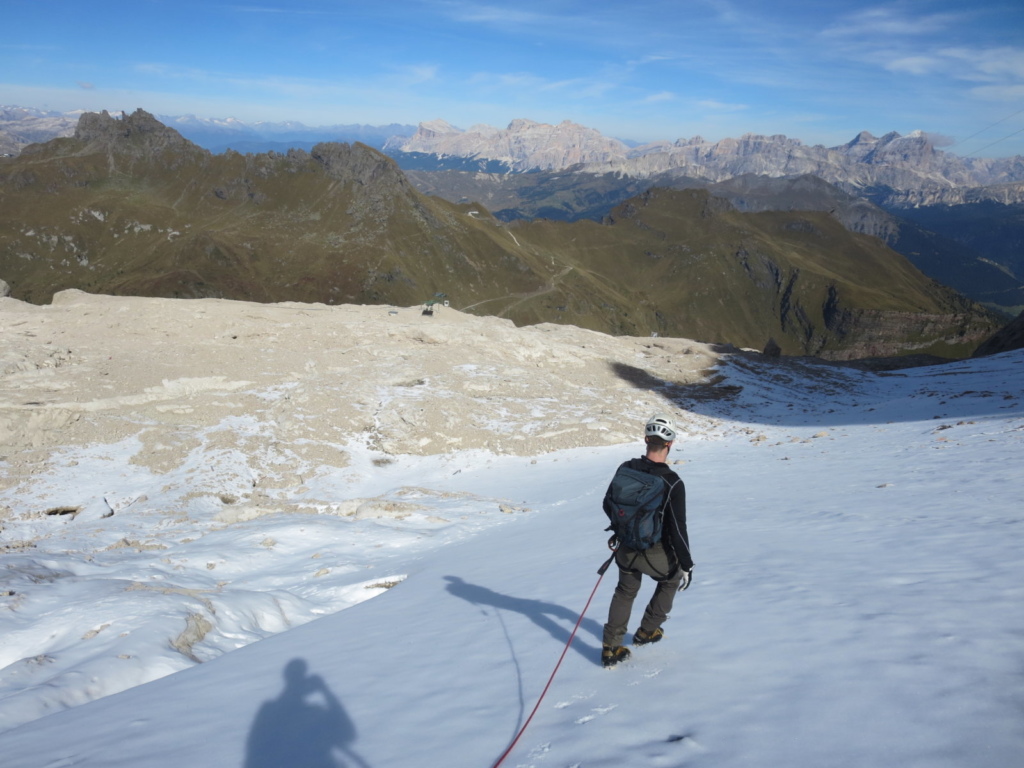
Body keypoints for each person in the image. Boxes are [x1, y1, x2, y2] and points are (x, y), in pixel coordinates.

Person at [601, 413, 693, 667]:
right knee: (671, 579)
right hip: (655, 553)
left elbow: (608, 504)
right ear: (670, 444)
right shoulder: (672, 482)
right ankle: (646, 631)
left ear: (645, 440)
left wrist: (623, 529)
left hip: (625, 548)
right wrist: (686, 563)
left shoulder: (626, 468)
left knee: (625, 590)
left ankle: (610, 648)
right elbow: (677, 528)